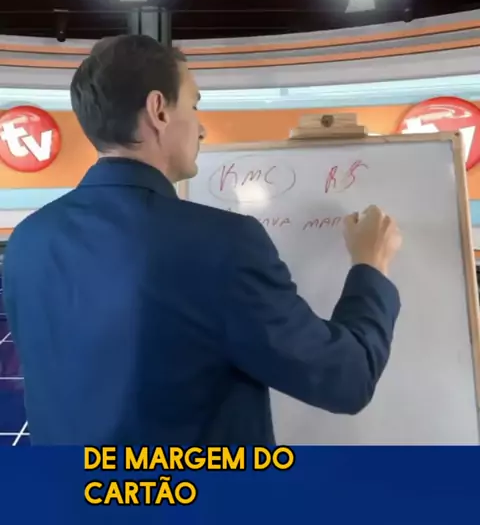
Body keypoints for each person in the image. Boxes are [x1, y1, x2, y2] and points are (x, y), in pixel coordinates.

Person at [3, 35, 402, 446]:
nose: (202, 127)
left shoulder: (28, 239)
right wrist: (370, 266)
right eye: (194, 106)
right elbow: (346, 379)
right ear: (159, 110)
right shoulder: (222, 244)